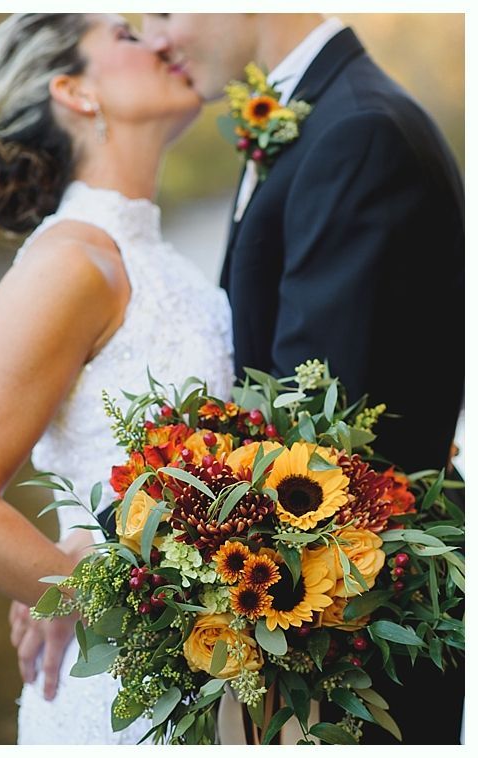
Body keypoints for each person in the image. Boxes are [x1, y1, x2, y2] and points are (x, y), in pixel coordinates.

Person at [144, 13, 464, 745]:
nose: (157, 36)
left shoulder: (358, 134)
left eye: (163, 10)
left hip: (355, 652)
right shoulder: (321, 119)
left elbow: (313, 428)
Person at [0, 14, 233, 744]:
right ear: (74, 91)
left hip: (215, 669)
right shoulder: (67, 263)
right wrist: (80, 590)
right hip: (118, 684)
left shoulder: (160, 259)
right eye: (127, 35)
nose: (161, 40)